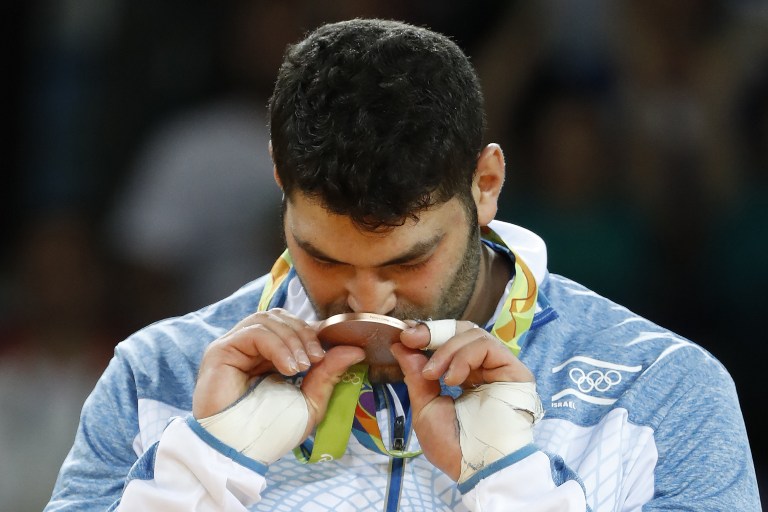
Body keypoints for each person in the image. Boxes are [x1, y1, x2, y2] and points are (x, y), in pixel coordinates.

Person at [45, 19, 761, 511]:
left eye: (409, 259)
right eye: (323, 256)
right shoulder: (158, 377)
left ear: (485, 186)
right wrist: (204, 468)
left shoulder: (663, 391)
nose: (366, 299)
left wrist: (511, 484)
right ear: (278, 181)